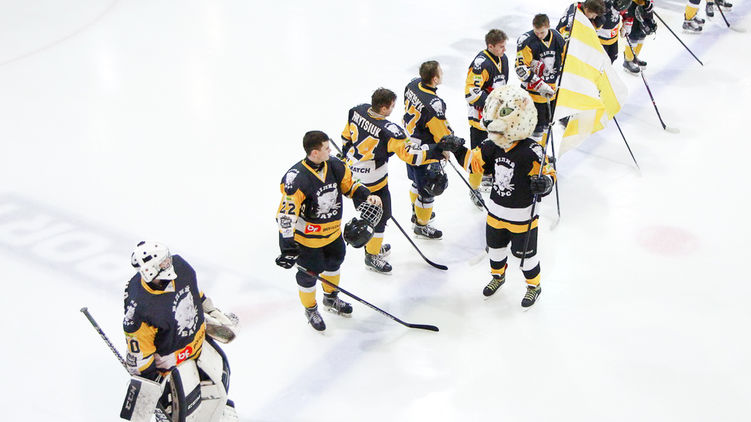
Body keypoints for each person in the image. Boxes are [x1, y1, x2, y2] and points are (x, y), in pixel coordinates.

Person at [450, 85, 556, 308]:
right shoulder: (492, 145)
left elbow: (549, 174)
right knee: (496, 252)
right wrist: (457, 149)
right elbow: (474, 164)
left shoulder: (532, 150)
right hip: (496, 212)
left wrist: (545, 183)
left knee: (526, 258)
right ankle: (498, 277)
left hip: (523, 217)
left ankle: (534, 286)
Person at [341, 88, 461, 272]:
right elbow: (411, 155)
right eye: (391, 106)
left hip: (353, 177)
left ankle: (372, 246)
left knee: (370, 217)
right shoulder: (389, 131)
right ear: (383, 108)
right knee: (379, 218)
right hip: (374, 181)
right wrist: (437, 149)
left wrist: (346, 158)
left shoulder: (357, 111)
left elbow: (345, 137)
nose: (393, 109)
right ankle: (372, 255)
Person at [275, 130, 382, 331]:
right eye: (326, 148)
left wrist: (366, 195)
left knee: (334, 265)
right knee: (309, 276)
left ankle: (331, 298)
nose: (330, 150)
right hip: (308, 241)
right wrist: (287, 247)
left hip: (333, 235)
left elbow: (349, 186)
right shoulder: (296, 178)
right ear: (315, 152)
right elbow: (286, 215)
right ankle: (310, 309)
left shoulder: (335, 165)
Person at [125, 241, 239, 421]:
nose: (169, 263)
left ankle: (219, 413)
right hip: (174, 364)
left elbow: (195, 293)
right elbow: (140, 356)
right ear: (149, 270)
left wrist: (212, 312)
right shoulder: (140, 309)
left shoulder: (180, 267)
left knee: (220, 386)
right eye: (163, 262)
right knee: (187, 413)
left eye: (167, 258)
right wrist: (153, 386)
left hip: (199, 344)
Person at [403, 60, 455, 239]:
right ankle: (421, 225)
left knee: (416, 182)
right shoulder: (433, 104)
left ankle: (416, 210)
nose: (442, 73)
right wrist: (446, 149)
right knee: (428, 190)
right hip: (426, 150)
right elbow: (441, 133)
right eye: (440, 72)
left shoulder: (412, 85)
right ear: (434, 79)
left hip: (409, 144)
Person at [464, 29, 510, 207]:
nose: (504, 49)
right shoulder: (481, 64)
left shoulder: (503, 59)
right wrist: (492, 104)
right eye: (501, 46)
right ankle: (474, 188)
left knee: (496, 148)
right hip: (480, 119)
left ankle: (489, 174)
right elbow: (471, 93)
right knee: (478, 155)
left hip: (496, 118)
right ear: (490, 46)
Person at [515, 14, 566, 148]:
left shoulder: (558, 39)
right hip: (531, 95)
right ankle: (531, 155)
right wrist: (539, 84)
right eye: (536, 32)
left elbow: (566, 61)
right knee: (532, 128)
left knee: (546, 127)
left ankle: (541, 154)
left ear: (548, 26)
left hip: (551, 93)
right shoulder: (526, 41)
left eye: (542, 32)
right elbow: (520, 69)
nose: (539, 35)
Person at [622, 0, 657, 74]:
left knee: (643, 32)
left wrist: (650, 3)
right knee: (634, 33)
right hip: (634, 5)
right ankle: (628, 60)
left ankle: (634, 57)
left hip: (646, 6)